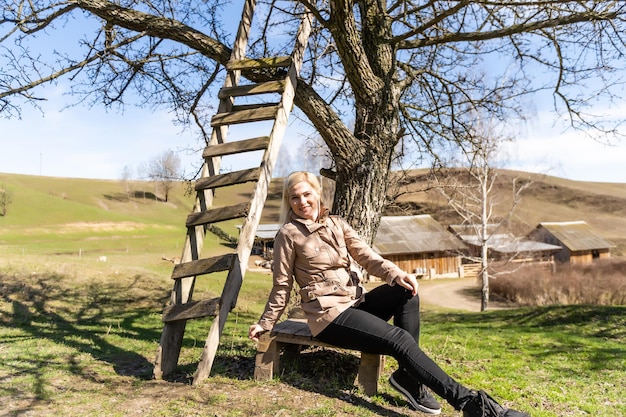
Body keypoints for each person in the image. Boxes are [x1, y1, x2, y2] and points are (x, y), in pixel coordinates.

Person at [249, 171, 529, 417]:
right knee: (399, 339)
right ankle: (470, 404)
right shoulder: (288, 235)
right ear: (289, 202)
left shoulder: (337, 223)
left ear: (317, 194)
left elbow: (368, 256)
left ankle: (409, 378)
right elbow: (282, 284)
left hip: (356, 304)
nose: (302, 202)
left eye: (306, 194)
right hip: (329, 316)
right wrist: (266, 322)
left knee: (406, 292)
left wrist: (397, 274)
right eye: (294, 198)